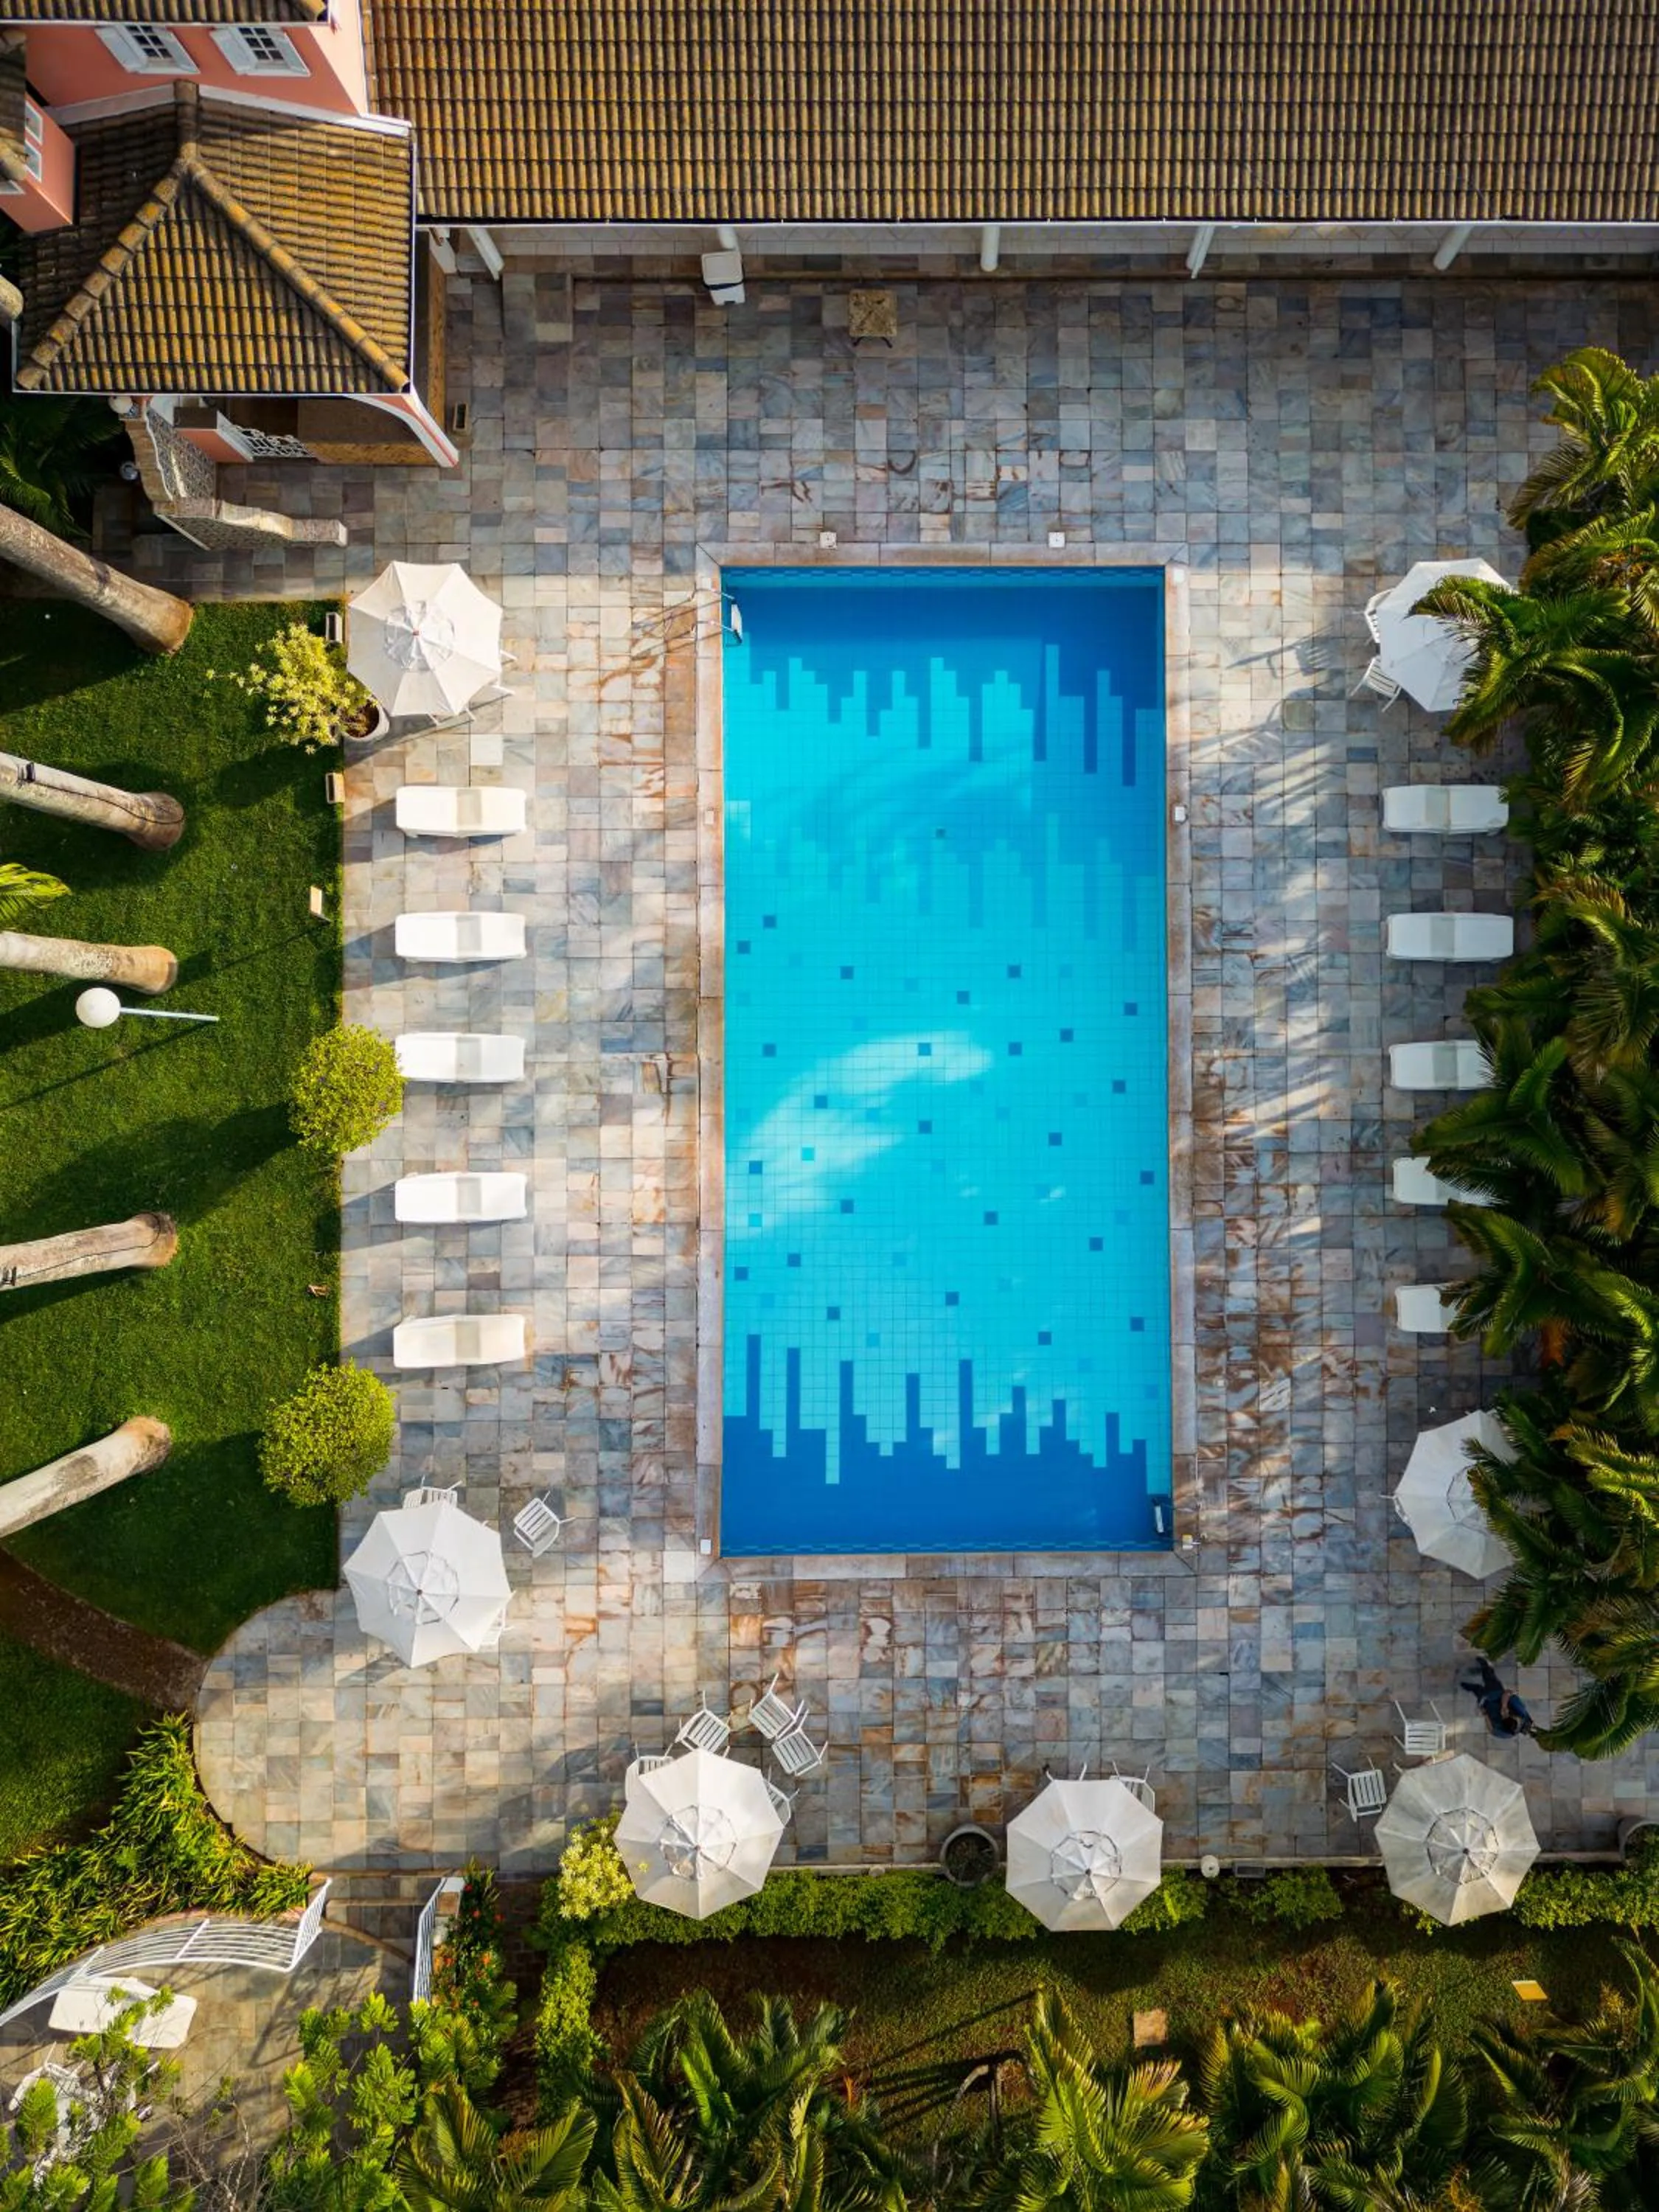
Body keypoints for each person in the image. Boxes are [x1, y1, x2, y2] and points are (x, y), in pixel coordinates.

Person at [1461, 1656, 1535, 1738]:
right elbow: (1508, 1693)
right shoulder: (1521, 1711)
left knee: (1477, 1690)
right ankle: (1484, 1665)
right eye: (1507, 1715)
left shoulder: (1506, 1733)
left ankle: (1464, 1684)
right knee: (1490, 1678)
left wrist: (1485, 1714)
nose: (1504, 1715)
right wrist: (1504, 1705)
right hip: (1497, 1694)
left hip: (1488, 1706)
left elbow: (1492, 1730)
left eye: (1503, 1717)